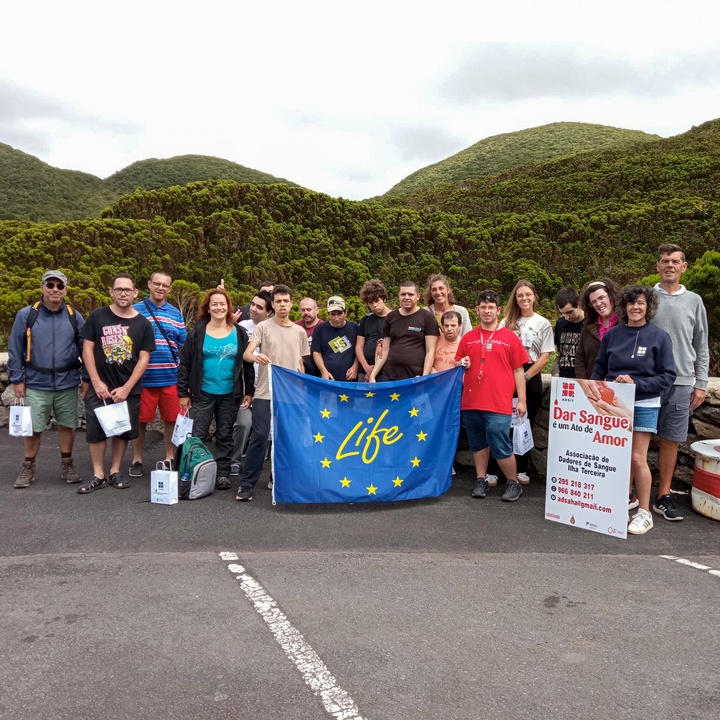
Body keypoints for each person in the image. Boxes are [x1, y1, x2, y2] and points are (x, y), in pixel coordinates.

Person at [592, 286, 676, 535]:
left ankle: (645, 513)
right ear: (624, 307)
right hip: (614, 403)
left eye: (640, 303)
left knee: (638, 457)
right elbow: (599, 368)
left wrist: (637, 384)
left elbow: (667, 376)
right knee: (617, 456)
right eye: (631, 303)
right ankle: (621, 501)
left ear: (648, 306)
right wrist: (592, 391)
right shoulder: (613, 335)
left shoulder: (660, 337)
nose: (635, 307)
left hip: (644, 403)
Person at [77, 273, 155, 493]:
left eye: (127, 290)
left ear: (135, 293)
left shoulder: (143, 324)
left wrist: (128, 387)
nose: (123, 293)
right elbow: (88, 349)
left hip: (127, 388)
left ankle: (115, 470)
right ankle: (98, 474)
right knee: (96, 431)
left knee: (121, 431)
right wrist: (96, 382)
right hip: (99, 387)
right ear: (111, 291)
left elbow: (144, 358)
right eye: (118, 289)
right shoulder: (97, 316)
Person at [8, 270, 87, 488]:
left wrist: (87, 378)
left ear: (65, 290)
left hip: (67, 381)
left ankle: (67, 465)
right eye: (50, 285)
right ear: (42, 287)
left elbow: (85, 349)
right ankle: (28, 468)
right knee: (33, 428)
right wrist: (17, 380)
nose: (55, 290)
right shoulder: (26, 315)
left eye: (59, 286)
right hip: (36, 382)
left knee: (67, 425)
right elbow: (15, 349)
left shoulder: (74, 316)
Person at [651, 243, 710, 522]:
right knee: (634, 439)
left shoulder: (695, 301)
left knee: (670, 441)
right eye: (665, 261)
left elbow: (701, 344)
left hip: (681, 381)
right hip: (646, 380)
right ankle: (628, 493)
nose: (670, 265)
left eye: (675, 261)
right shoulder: (646, 298)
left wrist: (701, 382)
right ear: (658, 266)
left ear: (684, 267)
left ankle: (663, 496)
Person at [236, 285, 309, 501]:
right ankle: (247, 484)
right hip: (265, 392)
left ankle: (277, 478)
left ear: (291, 303)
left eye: (286, 301)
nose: (282, 305)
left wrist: (303, 391)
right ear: (273, 305)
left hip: (291, 395)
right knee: (259, 436)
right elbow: (247, 354)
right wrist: (255, 356)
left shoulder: (299, 331)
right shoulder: (263, 327)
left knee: (286, 437)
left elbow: (301, 363)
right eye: (278, 301)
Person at [177, 287, 255, 490]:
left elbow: (246, 363)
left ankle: (222, 473)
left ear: (228, 307)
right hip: (203, 392)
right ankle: (194, 470)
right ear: (208, 308)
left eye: (223, 304)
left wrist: (249, 391)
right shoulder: (197, 333)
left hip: (230, 393)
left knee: (225, 434)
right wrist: (183, 392)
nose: (219, 307)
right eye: (215, 304)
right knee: (198, 433)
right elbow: (185, 363)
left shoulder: (239, 333)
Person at [455, 290, 529, 502]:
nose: (487, 311)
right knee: (477, 443)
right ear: (477, 310)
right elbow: (457, 363)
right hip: (471, 401)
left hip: (498, 401)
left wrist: (522, 400)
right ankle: (481, 479)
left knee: (500, 442)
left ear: (498, 310)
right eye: (483, 307)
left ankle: (513, 482)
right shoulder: (468, 338)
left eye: (491, 307)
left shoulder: (509, 337)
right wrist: (461, 363)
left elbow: (518, 370)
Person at [129, 271, 187, 477]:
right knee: (140, 421)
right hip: (142, 379)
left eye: (165, 285)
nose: (160, 288)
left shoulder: (175, 313)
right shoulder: (135, 310)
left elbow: (183, 344)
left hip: (170, 376)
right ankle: (137, 458)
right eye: (157, 284)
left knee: (171, 420)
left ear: (169, 288)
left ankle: (170, 457)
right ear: (149, 284)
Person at [500, 280, 554, 484]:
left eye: (528, 294)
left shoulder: (543, 323)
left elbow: (545, 357)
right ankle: (500, 469)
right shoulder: (505, 322)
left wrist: (525, 377)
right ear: (515, 298)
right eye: (520, 295)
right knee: (504, 424)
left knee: (524, 424)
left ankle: (521, 469)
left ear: (534, 297)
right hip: (506, 376)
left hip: (530, 377)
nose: (524, 298)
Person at [229, 290, 273, 476]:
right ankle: (234, 461)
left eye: (259, 307)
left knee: (267, 431)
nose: (253, 309)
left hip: (267, 390)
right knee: (243, 424)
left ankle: (267, 466)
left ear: (269, 312)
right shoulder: (241, 326)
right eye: (252, 304)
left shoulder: (274, 328)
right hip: (246, 390)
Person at [368, 280, 439, 381]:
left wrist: (424, 377)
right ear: (399, 296)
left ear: (418, 296)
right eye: (403, 294)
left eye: (410, 294)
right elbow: (385, 350)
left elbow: (430, 351)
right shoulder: (390, 317)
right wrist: (373, 375)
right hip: (389, 376)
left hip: (415, 378)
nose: (406, 297)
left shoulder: (427, 317)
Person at [575, 280, 622, 380]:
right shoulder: (588, 327)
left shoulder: (625, 324)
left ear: (611, 296)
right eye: (593, 302)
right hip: (592, 387)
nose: (598, 303)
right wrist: (583, 383)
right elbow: (580, 358)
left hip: (620, 386)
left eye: (601, 298)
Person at [312, 296, 359, 381]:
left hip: (350, 380)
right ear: (328, 314)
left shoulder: (355, 328)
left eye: (339, 314)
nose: (336, 318)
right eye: (333, 314)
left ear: (345, 313)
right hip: (328, 379)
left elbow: (360, 349)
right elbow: (316, 352)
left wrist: (355, 367)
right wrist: (323, 371)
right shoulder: (320, 329)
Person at [355, 279, 391, 382]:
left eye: (377, 301)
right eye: (370, 302)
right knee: (362, 398)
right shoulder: (365, 319)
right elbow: (358, 347)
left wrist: (375, 370)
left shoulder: (395, 317)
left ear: (384, 299)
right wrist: (366, 368)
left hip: (387, 371)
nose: (374, 305)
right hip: (365, 370)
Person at [553, 287, 584, 378]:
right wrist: (555, 370)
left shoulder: (590, 324)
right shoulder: (560, 323)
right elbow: (559, 351)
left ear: (579, 305)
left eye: (570, 312)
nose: (567, 317)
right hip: (562, 376)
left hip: (583, 378)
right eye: (563, 313)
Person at [295, 297, 323, 376]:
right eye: (303, 310)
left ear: (317, 310)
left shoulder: (324, 328)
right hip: (298, 370)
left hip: (317, 371)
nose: (306, 313)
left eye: (309, 309)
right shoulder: (294, 327)